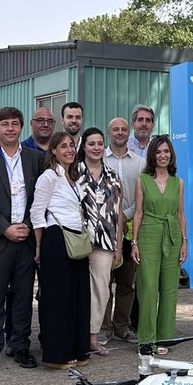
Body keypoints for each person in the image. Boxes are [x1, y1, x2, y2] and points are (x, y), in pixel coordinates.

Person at [0, 106, 46, 371]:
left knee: (23, 297)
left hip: (26, 239)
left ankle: (20, 346)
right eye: (5, 124)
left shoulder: (36, 158)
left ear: (21, 128)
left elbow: (41, 196)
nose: (10, 129)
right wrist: (5, 228)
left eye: (15, 124)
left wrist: (26, 225)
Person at [29, 131, 93, 368]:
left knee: (78, 297)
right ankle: (57, 355)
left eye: (71, 146)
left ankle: (78, 349)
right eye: (63, 146)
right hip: (56, 239)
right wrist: (38, 246)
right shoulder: (49, 177)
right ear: (53, 151)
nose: (68, 150)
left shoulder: (72, 178)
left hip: (76, 239)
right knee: (58, 299)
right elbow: (37, 212)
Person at [131, 135, 188, 353]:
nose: (163, 156)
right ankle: (146, 340)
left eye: (166, 152)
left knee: (169, 289)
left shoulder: (178, 182)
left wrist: (184, 241)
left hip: (172, 236)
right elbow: (138, 213)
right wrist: (134, 242)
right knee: (147, 288)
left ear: (171, 154)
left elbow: (181, 214)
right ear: (152, 155)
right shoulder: (142, 180)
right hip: (149, 234)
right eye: (158, 152)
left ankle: (165, 338)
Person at [76, 127, 124, 356]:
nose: (95, 148)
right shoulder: (73, 172)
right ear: (83, 146)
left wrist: (118, 246)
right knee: (75, 290)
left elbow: (119, 214)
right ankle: (74, 336)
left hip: (104, 242)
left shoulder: (113, 176)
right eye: (91, 143)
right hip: (76, 240)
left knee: (101, 291)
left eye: (99, 144)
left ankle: (93, 337)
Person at [103, 117, 145, 343]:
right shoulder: (99, 158)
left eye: (123, 130)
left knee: (127, 282)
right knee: (103, 281)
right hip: (103, 230)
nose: (120, 133)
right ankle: (103, 327)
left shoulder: (139, 163)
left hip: (128, 229)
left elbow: (141, 198)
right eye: (115, 129)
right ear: (109, 133)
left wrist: (125, 216)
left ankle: (122, 326)